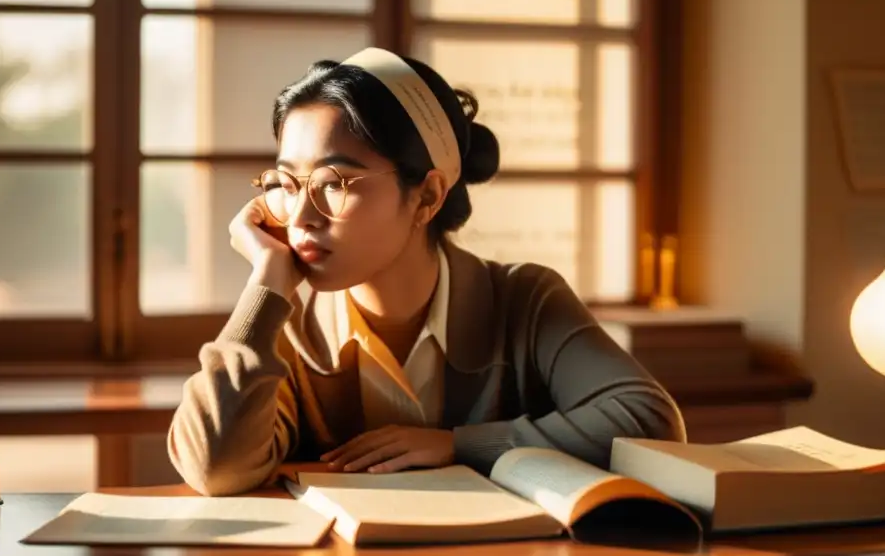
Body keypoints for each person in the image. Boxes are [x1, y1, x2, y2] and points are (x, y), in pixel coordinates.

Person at [167, 47, 686, 496]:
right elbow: (217, 469)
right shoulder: (282, 321)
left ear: (428, 195)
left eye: (333, 182)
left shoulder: (524, 299)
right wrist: (264, 285)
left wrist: (458, 446)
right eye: (286, 181)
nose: (299, 216)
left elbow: (650, 423)